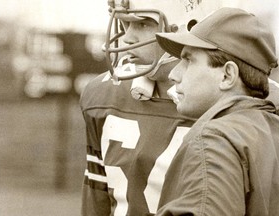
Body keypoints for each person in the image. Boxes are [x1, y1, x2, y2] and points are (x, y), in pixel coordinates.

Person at [79, 0, 226, 215]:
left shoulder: (257, 103)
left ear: (191, 26)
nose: (127, 38)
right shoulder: (104, 95)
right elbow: (96, 204)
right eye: (124, 24)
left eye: (143, 24)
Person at [155, 7, 279, 215]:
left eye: (188, 60)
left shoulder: (212, 140)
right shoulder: (271, 128)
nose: (174, 74)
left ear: (227, 75)